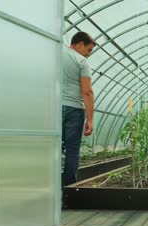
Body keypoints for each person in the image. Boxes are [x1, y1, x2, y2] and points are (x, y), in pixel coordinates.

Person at [62, 32, 96, 187]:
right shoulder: (81, 62)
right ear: (80, 44)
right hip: (74, 110)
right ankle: (67, 189)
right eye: (89, 50)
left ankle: (51, 185)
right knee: (72, 151)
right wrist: (90, 119)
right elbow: (87, 91)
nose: (89, 55)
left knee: (52, 147)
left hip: (52, 108)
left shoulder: (55, 53)